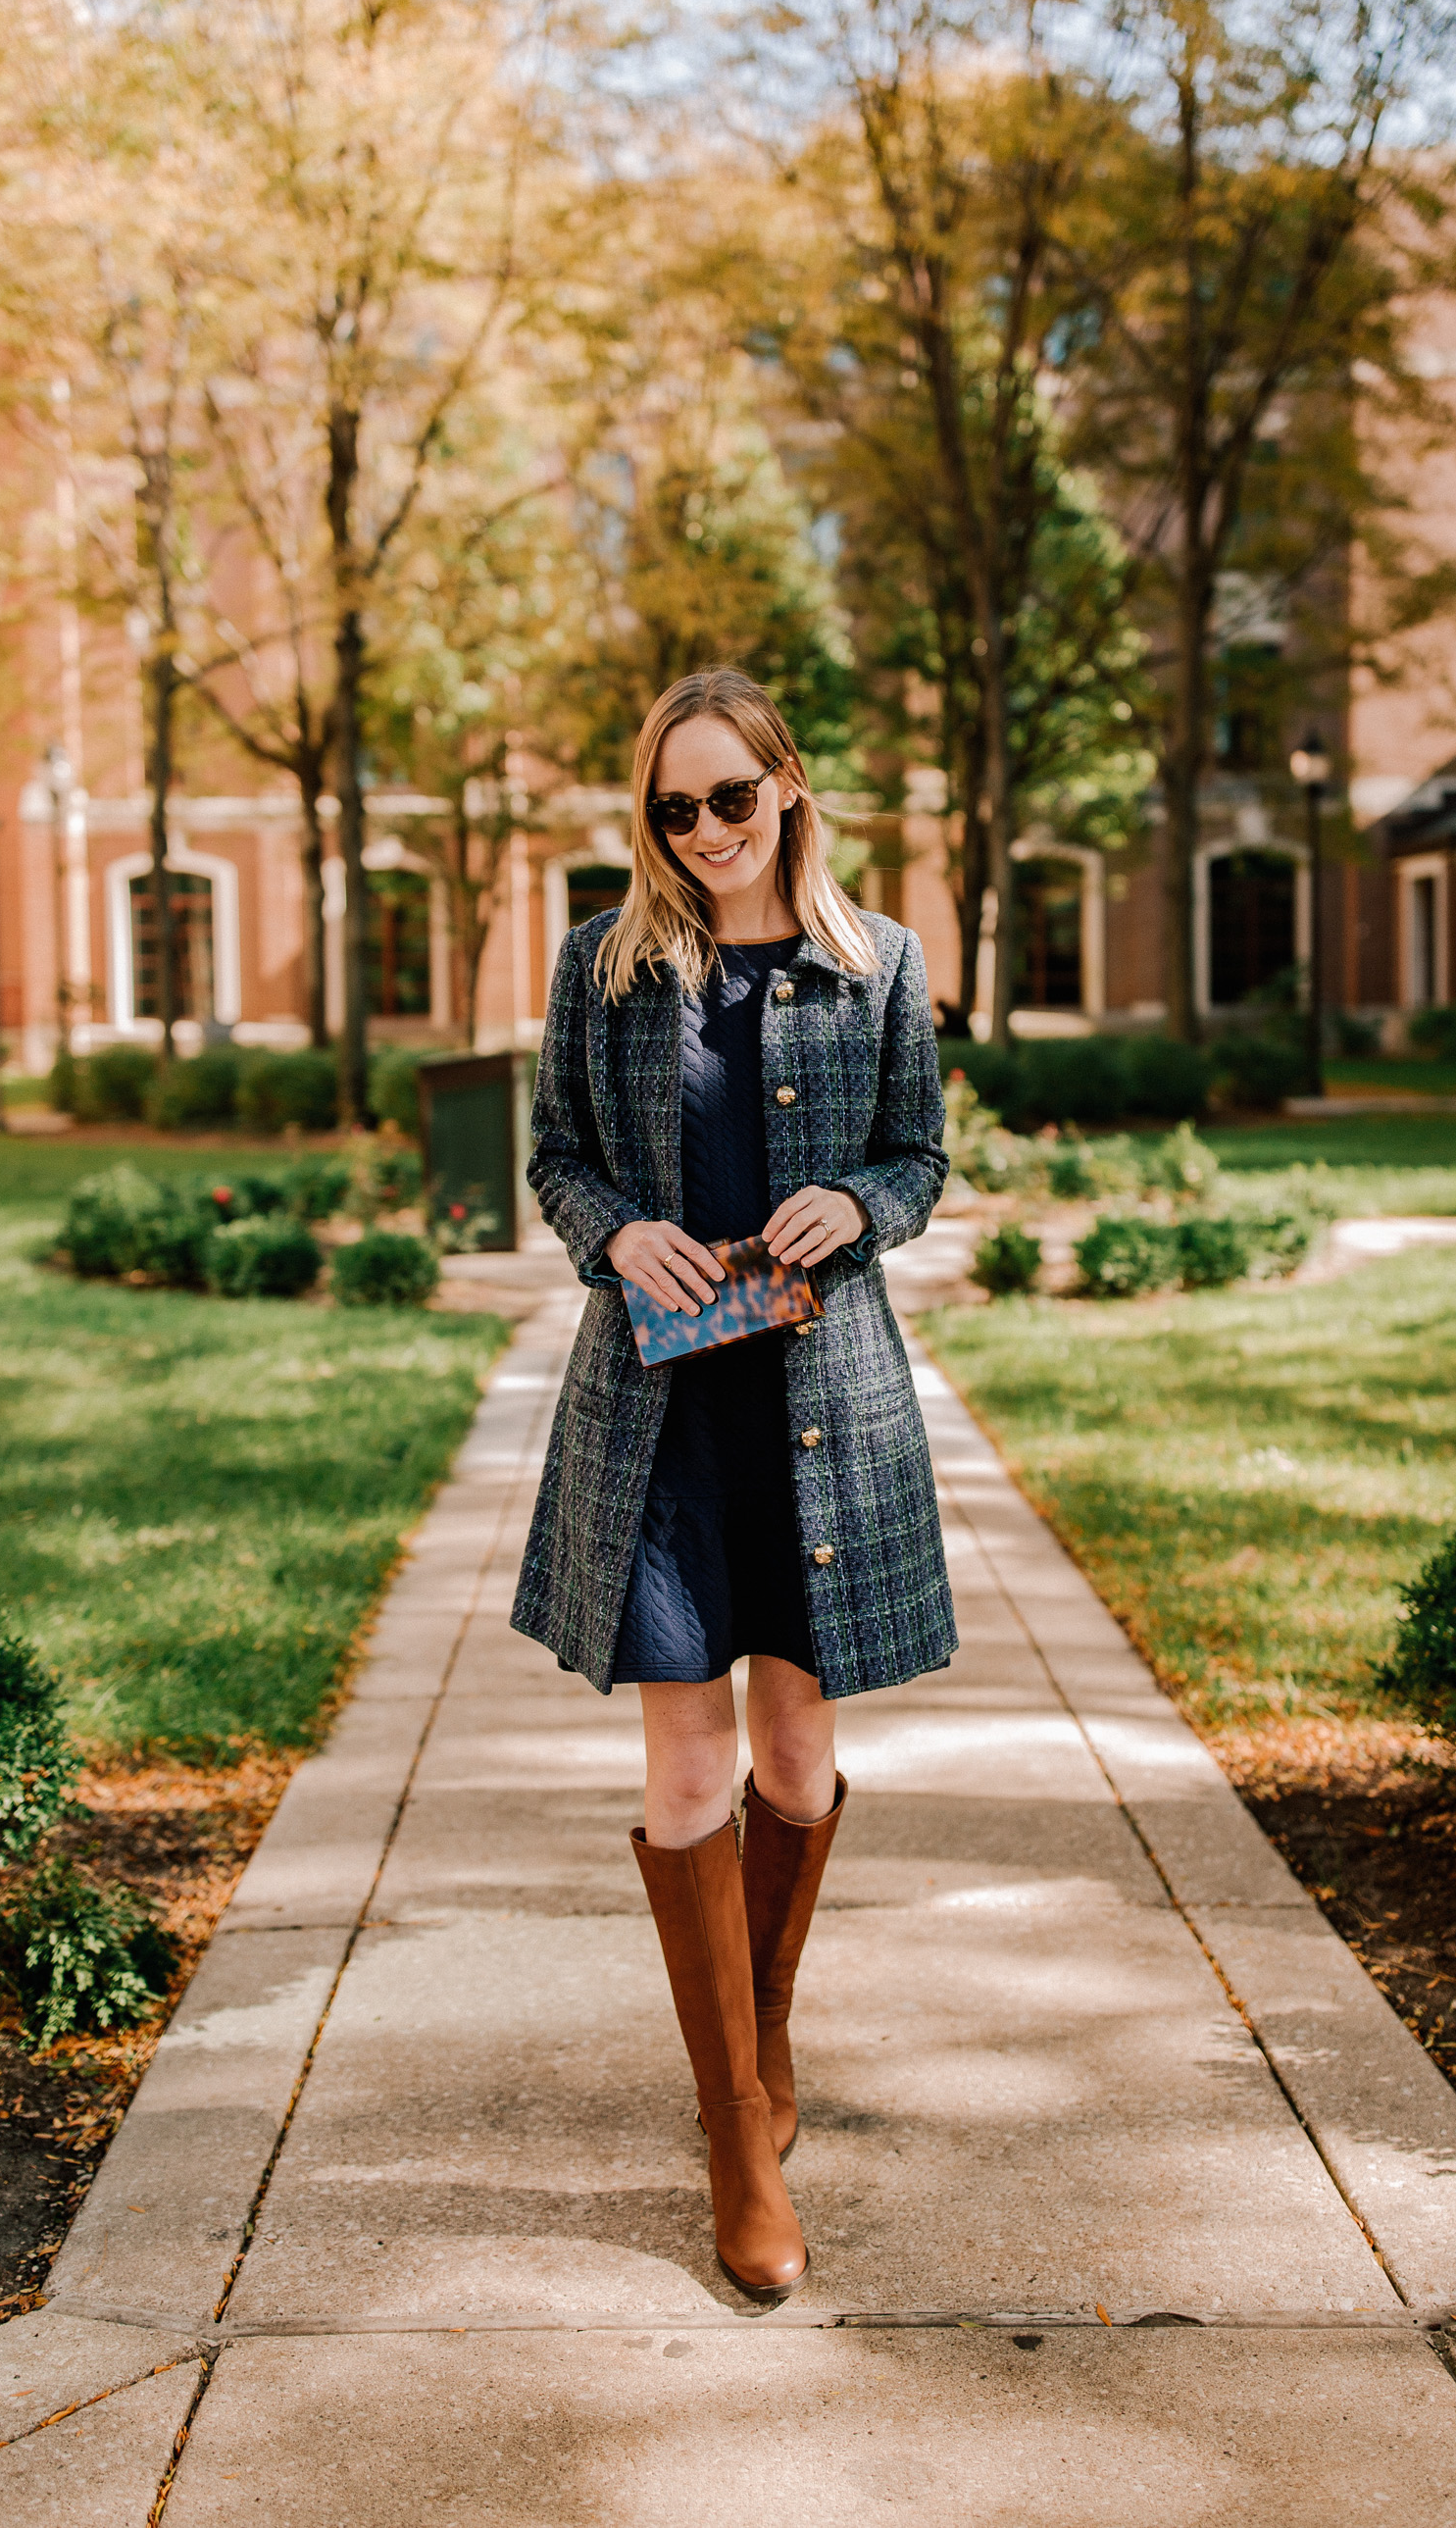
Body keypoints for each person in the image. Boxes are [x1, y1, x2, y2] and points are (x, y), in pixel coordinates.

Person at [513, 668, 957, 2305]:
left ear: (788, 790)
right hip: (658, 1420)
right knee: (689, 1750)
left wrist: (862, 1202)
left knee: (795, 1744)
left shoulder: (882, 964)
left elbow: (919, 1154)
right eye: (672, 807)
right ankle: (735, 2133)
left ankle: (762, 2038)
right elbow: (556, 1153)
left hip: (824, 1408)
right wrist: (608, 1228)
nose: (703, 831)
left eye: (729, 798)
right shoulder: (603, 970)